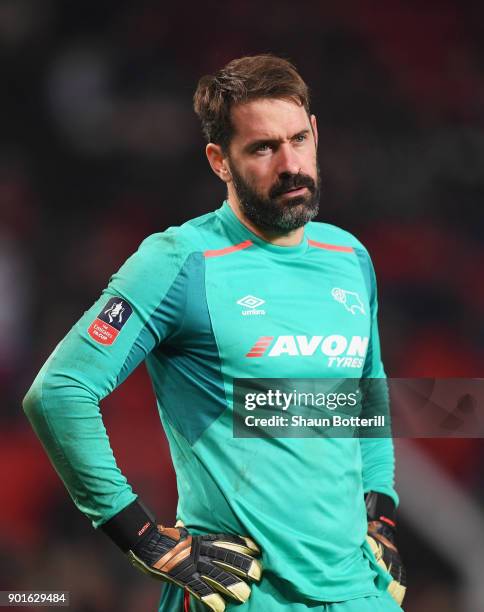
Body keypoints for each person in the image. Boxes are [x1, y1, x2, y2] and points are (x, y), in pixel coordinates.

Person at [24, 55, 406, 611]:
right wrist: (143, 537)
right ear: (219, 161)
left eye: (298, 139)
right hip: (241, 595)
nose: (290, 164)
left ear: (316, 132)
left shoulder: (349, 256)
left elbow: (366, 391)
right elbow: (58, 392)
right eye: (261, 148)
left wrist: (383, 512)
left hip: (359, 593)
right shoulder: (178, 261)